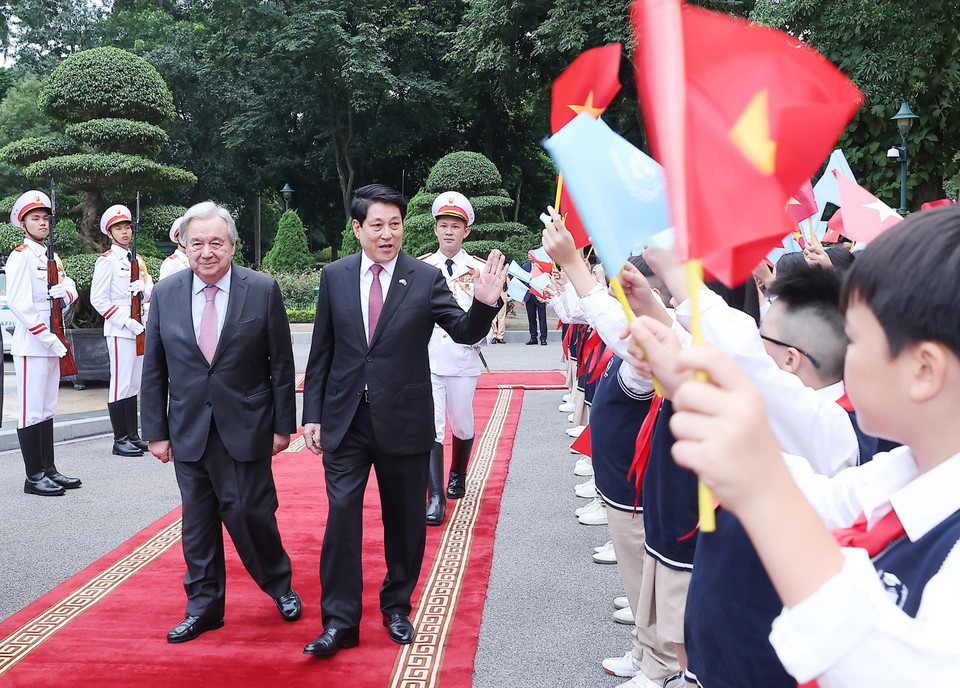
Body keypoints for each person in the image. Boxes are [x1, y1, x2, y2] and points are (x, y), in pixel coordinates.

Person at [659, 207, 960, 686]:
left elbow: (888, 671)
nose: (844, 355)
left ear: (924, 370)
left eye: (856, 340)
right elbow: (825, 501)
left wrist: (760, 487)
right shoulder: (905, 469)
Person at [300, 183, 505, 657]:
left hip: (405, 419)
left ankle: (396, 607)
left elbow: (463, 331)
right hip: (346, 421)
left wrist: (484, 303)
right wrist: (312, 415)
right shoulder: (335, 276)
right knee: (342, 519)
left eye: (395, 224)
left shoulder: (425, 277)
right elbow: (323, 351)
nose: (387, 234)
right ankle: (340, 622)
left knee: (406, 522)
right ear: (358, 228)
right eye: (377, 224)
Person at [140, 201, 301, 644]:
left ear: (232, 246)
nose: (206, 251)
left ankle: (279, 582)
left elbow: (281, 366)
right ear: (184, 246)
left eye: (216, 242)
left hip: (247, 427)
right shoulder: (167, 293)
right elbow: (154, 367)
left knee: (251, 515)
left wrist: (283, 426)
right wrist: (155, 431)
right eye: (197, 243)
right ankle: (204, 607)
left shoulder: (262, 289)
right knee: (198, 524)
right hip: (189, 430)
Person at [420, 191, 490, 525]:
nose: (448, 231)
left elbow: (490, 313)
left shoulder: (478, 270)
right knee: (430, 425)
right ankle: (435, 496)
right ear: (435, 230)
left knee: (461, 423)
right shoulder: (421, 268)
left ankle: (458, 472)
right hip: (429, 357)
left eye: (455, 226)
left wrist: (481, 338)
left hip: (462, 358)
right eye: (443, 225)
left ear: (466, 233)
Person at [6, 190, 80, 496]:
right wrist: (47, 338)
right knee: (31, 409)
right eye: (35, 219)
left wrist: (65, 291)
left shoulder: (53, 256)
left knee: (48, 407)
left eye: (45, 218)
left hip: (53, 340)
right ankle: (33, 476)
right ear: (23, 224)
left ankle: (49, 469)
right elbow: (19, 304)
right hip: (34, 344)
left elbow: (70, 290)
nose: (42, 223)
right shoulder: (21, 257)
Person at [90, 204, 154, 457]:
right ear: (110, 233)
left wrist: (143, 289)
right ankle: (120, 439)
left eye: (127, 227)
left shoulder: (137, 259)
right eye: (119, 228)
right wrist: (125, 321)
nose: (125, 232)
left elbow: (151, 291)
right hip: (120, 329)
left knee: (134, 383)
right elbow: (98, 299)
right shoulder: (107, 261)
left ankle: (133, 435)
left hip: (140, 326)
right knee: (121, 382)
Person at [522, 256, 548, 345]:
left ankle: (543, 338)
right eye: (528, 254)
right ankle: (533, 337)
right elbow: (522, 280)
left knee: (542, 317)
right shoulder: (525, 266)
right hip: (529, 295)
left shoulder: (542, 266)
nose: (529, 256)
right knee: (531, 318)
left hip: (540, 295)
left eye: (531, 254)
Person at [158, 216, 189, 281]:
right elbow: (163, 288)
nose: (187, 238)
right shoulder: (172, 263)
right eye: (183, 235)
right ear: (176, 239)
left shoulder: (196, 259)